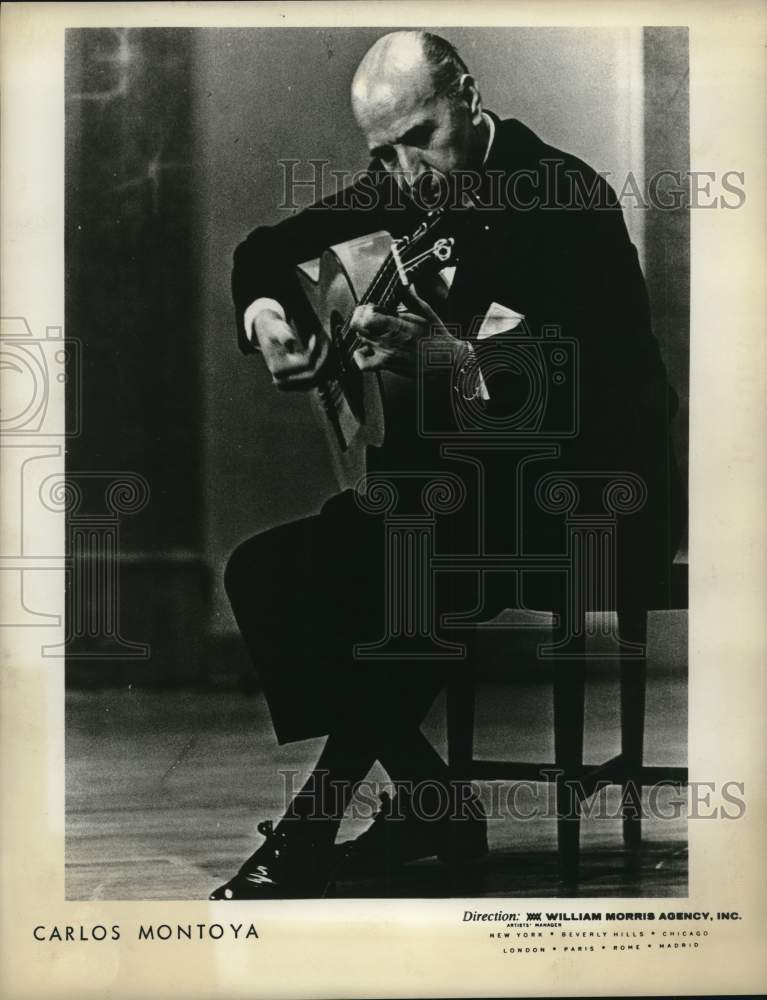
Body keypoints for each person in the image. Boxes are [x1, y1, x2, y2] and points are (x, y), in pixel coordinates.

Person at [211, 31, 685, 900]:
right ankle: (433, 803)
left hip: (592, 489)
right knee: (265, 572)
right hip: (470, 493)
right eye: (381, 152)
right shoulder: (406, 185)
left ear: (467, 96)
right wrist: (268, 318)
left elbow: (608, 394)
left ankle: (322, 827)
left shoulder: (564, 195)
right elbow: (264, 248)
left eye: (419, 137)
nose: (405, 171)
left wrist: (449, 357)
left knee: (413, 569)